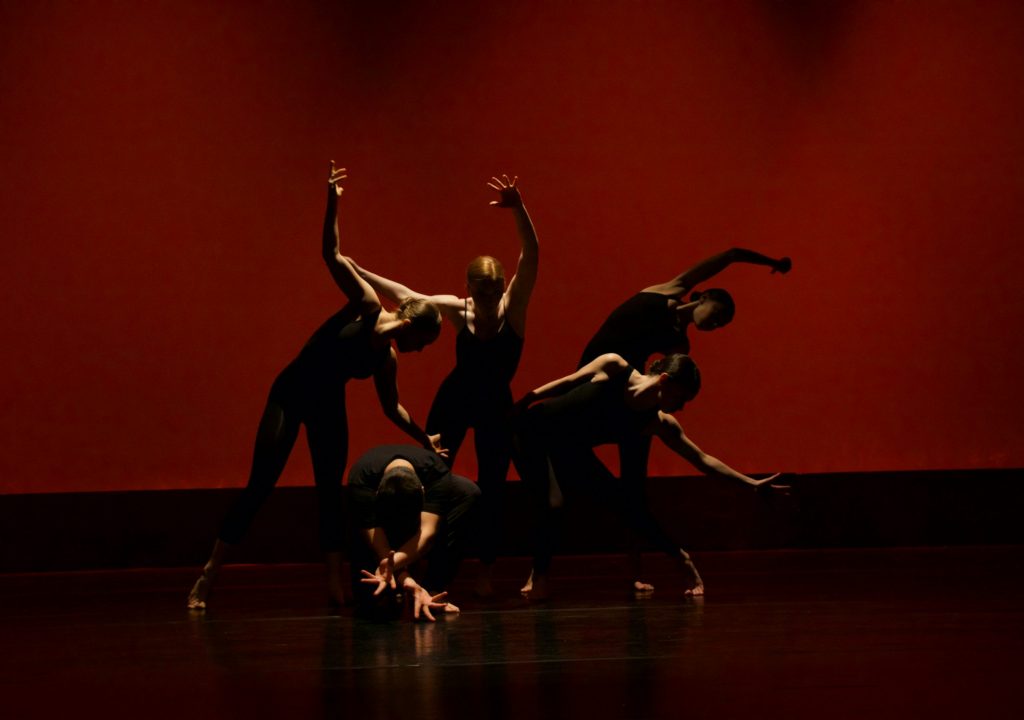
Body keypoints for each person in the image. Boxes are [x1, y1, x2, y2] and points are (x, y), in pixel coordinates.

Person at [187, 164, 445, 610]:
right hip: (290, 393)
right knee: (261, 484)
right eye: (422, 343)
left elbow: (392, 408)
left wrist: (424, 437)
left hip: (328, 404)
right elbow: (332, 254)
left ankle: (333, 583)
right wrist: (333, 202)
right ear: (409, 324)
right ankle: (208, 575)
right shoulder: (365, 305)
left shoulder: (386, 358)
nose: (420, 352)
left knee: (331, 492)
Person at [348, 174, 538, 597]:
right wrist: (360, 272)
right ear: (468, 289)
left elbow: (531, 257)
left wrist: (518, 208)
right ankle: (414, 558)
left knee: (491, 486)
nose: (489, 300)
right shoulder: (458, 309)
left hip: (494, 406)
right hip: (455, 399)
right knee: (431, 472)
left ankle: (484, 568)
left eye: (495, 292)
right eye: (481, 293)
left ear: (503, 288)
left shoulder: (514, 310)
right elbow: (408, 295)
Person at [578, 248, 791, 592]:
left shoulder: (679, 344)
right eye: (718, 314)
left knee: (634, 486)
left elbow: (663, 382)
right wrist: (772, 263)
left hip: (626, 398)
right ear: (703, 296)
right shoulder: (669, 291)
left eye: (721, 324)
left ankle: (636, 567)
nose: (716, 324)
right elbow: (732, 254)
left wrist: (751, 484)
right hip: (591, 379)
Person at [513, 352, 785, 600]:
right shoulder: (614, 367)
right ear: (664, 380)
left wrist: (751, 484)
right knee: (553, 503)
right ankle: (539, 578)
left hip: (568, 447)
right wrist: (527, 398)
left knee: (623, 504)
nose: (681, 408)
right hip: (530, 432)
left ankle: (681, 558)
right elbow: (568, 382)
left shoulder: (658, 422)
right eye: (681, 398)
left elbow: (701, 459)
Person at [347, 444, 480, 621]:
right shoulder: (361, 481)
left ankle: (434, 587)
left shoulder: (436, 473)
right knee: (371, 603)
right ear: (377, 493)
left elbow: (426, 535)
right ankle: (382, 592)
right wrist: (408, 581)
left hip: (426, 490)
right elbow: (380, 547)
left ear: (423, 491)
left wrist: (399, 572)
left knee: (468, 491)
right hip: (373, 506)